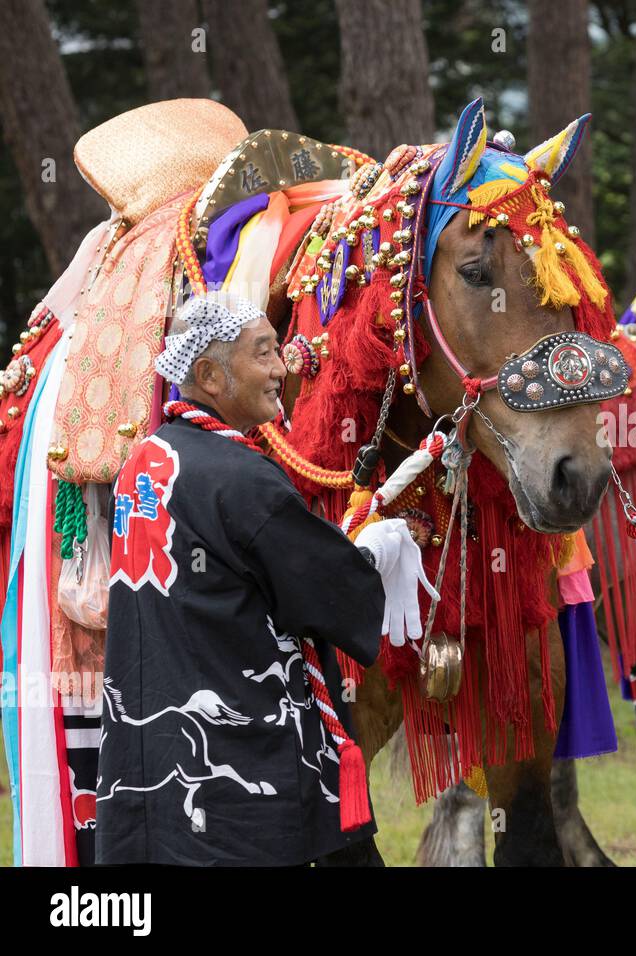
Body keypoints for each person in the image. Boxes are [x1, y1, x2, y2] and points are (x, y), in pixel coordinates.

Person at [97, 292, 428, 866]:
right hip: (240, 761)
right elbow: (324, 590)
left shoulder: (145, 459)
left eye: (277, 350)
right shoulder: (239, 476)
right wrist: (374, 551)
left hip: (153, 756)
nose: (282, 368)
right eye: (262, 354)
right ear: (209, 375)